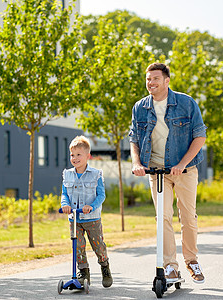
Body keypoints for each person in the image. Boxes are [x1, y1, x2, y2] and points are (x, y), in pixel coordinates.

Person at [129, 62, 206, 284]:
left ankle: (191, 260)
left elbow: (199, 136)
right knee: (162, 218)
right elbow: (134, 138)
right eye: (147, 79)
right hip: (157, 171)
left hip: (185, 170)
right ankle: (171, 266)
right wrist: (137, 163)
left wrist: (182, 163)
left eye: (155, 79)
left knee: (188, 217)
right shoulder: (140, 107)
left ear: (166, 81)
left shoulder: (186, 103)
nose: (150, 83)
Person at [60, 135, 113, 288]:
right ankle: (83, 272)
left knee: (98, 245)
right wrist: (65, 205)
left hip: (92, 219)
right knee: (78, 246)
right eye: (72, 155)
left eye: (78, 154)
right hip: (74, 218)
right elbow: (64, 193)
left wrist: (92, 206)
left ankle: (105, 267)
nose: (74, 158)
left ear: (87, 156)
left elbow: (101, 195)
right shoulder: (67, 174)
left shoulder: (96, 174)